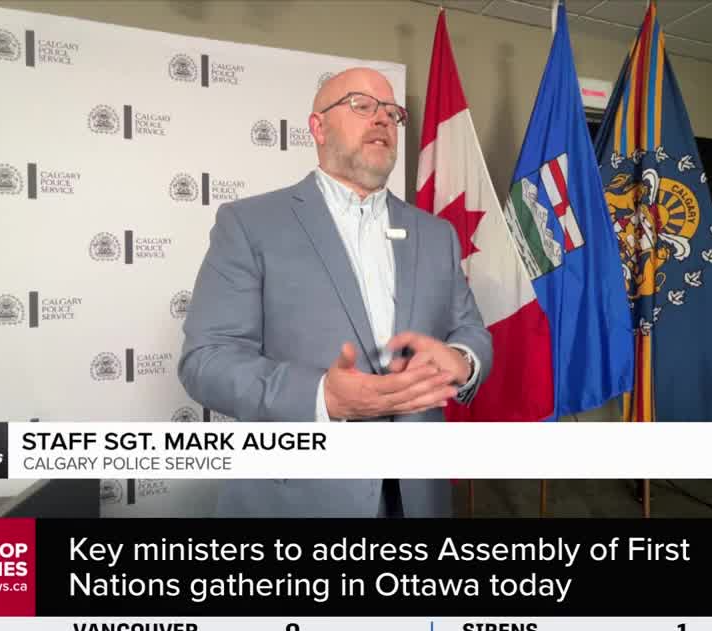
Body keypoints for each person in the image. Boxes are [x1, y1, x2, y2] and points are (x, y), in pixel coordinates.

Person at [178, 67, 492, 518]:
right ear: (318, 127)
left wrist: (461, 360)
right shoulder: (250, 225)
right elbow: (205, 361)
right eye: (362, 105)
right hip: (298, 499)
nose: (382, 118)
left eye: (391, 112)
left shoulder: (436, 234)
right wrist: (321, 396)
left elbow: (471, 330)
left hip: (419, 496)